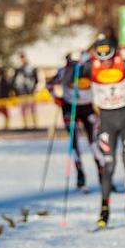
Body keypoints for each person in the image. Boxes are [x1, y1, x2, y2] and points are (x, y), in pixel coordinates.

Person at [64, 37, 125, 228]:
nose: (106, 64)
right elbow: (67, 81)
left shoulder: (123, 62)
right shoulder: (91, 66)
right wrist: (73, 63)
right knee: (108, 165)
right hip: (107, 122)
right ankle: (104, 211)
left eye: (110, 59)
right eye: (102, 60)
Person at [48, 52, 100, 192]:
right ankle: (80, 176)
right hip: (70, 107)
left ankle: (102, 175)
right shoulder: (64, 71)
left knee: (94, 141)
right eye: (72, 63)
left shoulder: (90, 69)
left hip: (87, 108)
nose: (75, 66)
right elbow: (49, 84)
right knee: (74, 142)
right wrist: (56, 98)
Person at [10, 52, 39, 128]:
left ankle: (35, 125)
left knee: (32, 109)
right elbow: (14, 81)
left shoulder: (31, 68)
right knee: (23, 110)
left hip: (30, 93)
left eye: (23, 58)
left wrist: (33, 88)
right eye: (21, 58)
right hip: (21, 93)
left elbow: (36, 80)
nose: (22, 59)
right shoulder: (18, 69)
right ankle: (25, 125)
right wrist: (16, 92)